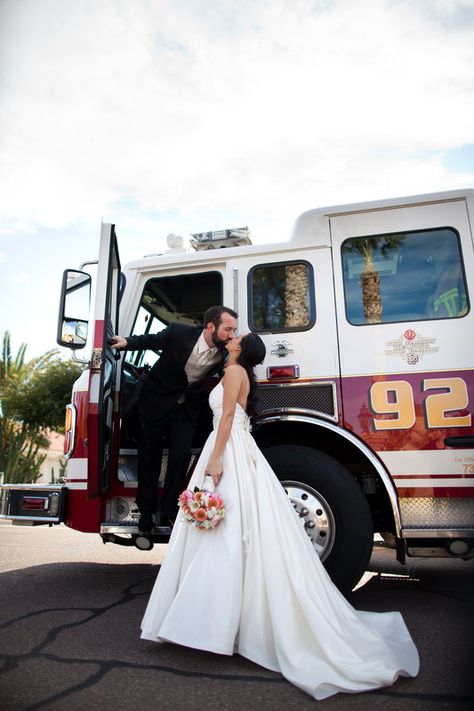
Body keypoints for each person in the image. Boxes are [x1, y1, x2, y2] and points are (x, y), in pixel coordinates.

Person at [140, 333, 420, 700]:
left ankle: (211, 623)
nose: (232, 337)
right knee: (228, 529)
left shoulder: (234, 372)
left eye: (236, 338)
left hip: (227, 449)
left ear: (241, 350)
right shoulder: (235, 370)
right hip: (236, 447)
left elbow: (226, 417)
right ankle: (214, 619)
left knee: (223, 530)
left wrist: (215, 458)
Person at [110, 305, 238, 533]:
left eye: (233, 330)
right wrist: (126, 342)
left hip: (184, 410)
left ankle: (170, 511)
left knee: (180, 457)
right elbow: (151, 340)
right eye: (228, 329)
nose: (232, 334)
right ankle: (146, 515)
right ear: (210, 327)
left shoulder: (224, 351)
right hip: (155, 402)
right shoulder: (178, 333)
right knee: (149, 458)